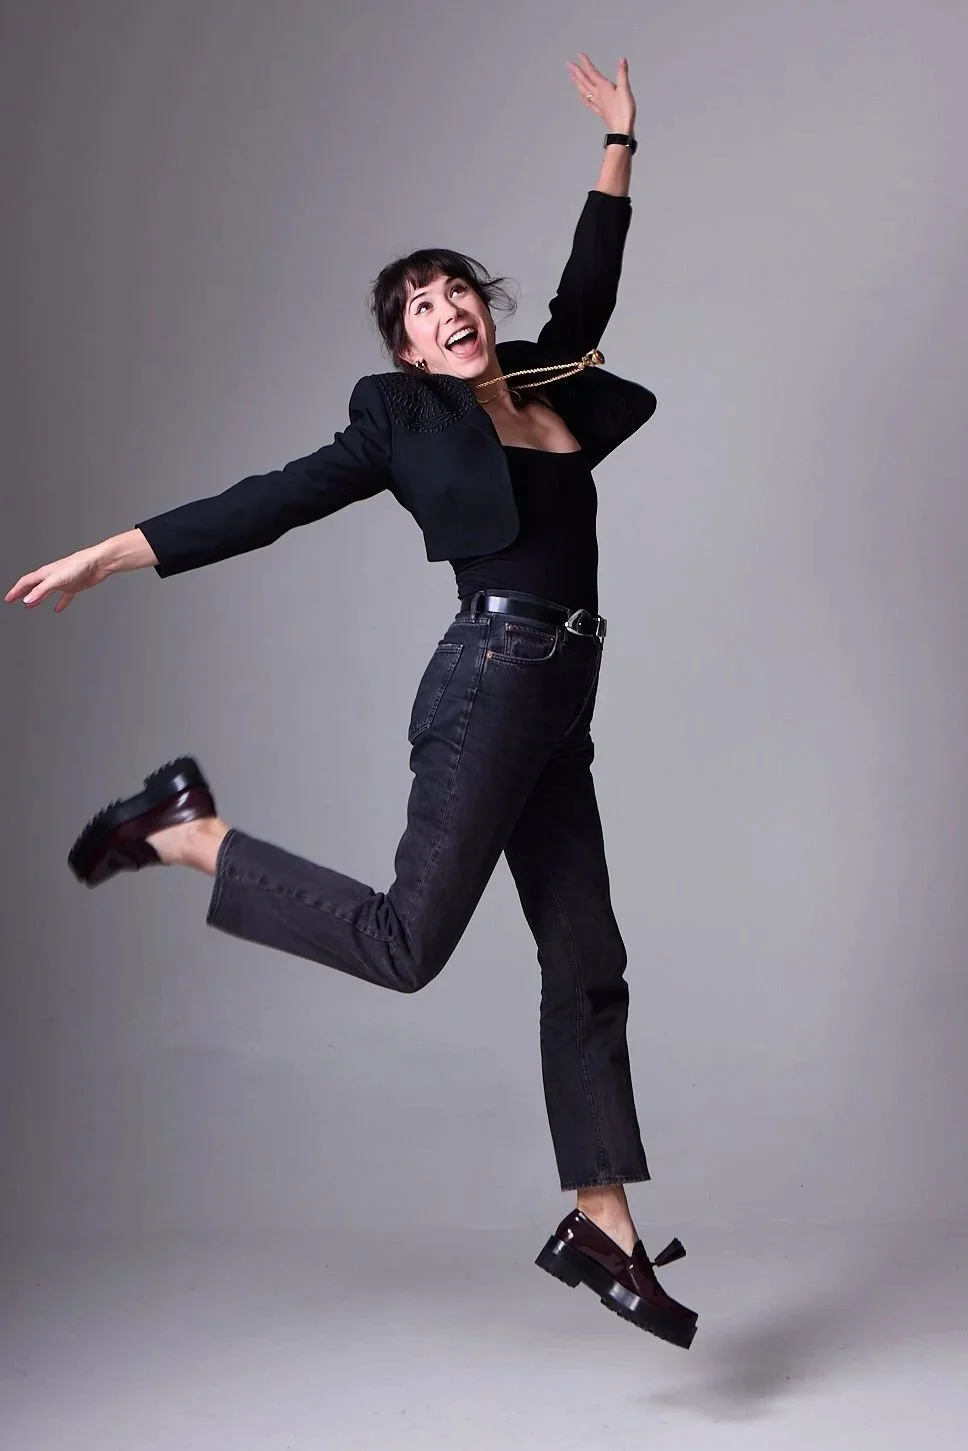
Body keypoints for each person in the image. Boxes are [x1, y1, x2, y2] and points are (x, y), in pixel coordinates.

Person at [7, 54, 697, 1348]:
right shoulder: (398, 421)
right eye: (420, 310)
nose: (448, 314)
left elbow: (589, 290)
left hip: (561, 699)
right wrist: (114, 549)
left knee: (587, 957)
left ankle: (600, 1219)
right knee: (405, 943)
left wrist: (620, 142)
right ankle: (181, 830)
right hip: (491, 683)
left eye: (457, 294)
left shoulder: (550, 387)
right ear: (402, 349)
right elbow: (267, 501)